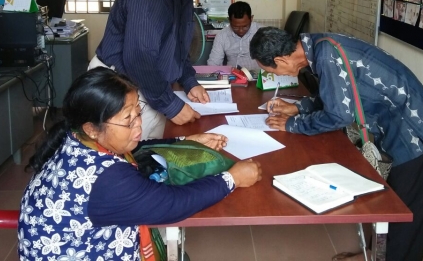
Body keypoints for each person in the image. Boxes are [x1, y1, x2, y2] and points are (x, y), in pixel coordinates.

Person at [249, 28, 423, 261]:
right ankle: (375, 254)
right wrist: (297, 107)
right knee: (390, 204)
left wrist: (293, 124)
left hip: (415, 129)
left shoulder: (326, 54)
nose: (277, 75)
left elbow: (339, 115)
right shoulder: (318, 45)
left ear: (280, 60)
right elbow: (337, 93)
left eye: (271, 71)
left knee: (404, 212)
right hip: (398, 125)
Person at [18, 67, 261, 261]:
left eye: (138, 113)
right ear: (92, 128)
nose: (138, 125)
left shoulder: (75, 138)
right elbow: (172, 204)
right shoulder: (108, 179)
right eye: (128, 119)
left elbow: (134, 147)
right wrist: (232, 179)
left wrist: (185, 140)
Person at [90, 0, 226, 139]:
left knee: (151, 148)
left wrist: (190, 81)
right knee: (128, 152)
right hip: (119, 84)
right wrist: (171, 105)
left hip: (150, 85)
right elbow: (139, 58)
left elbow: (179, 46)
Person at [206, 1, 260, 70]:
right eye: (235, 27)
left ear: (251, 18)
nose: (241, 31)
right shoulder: (222, 35)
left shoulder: (262, 33)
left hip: (258, 75)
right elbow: (213, 63)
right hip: (232, 75)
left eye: (245, 26)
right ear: (229, 20)